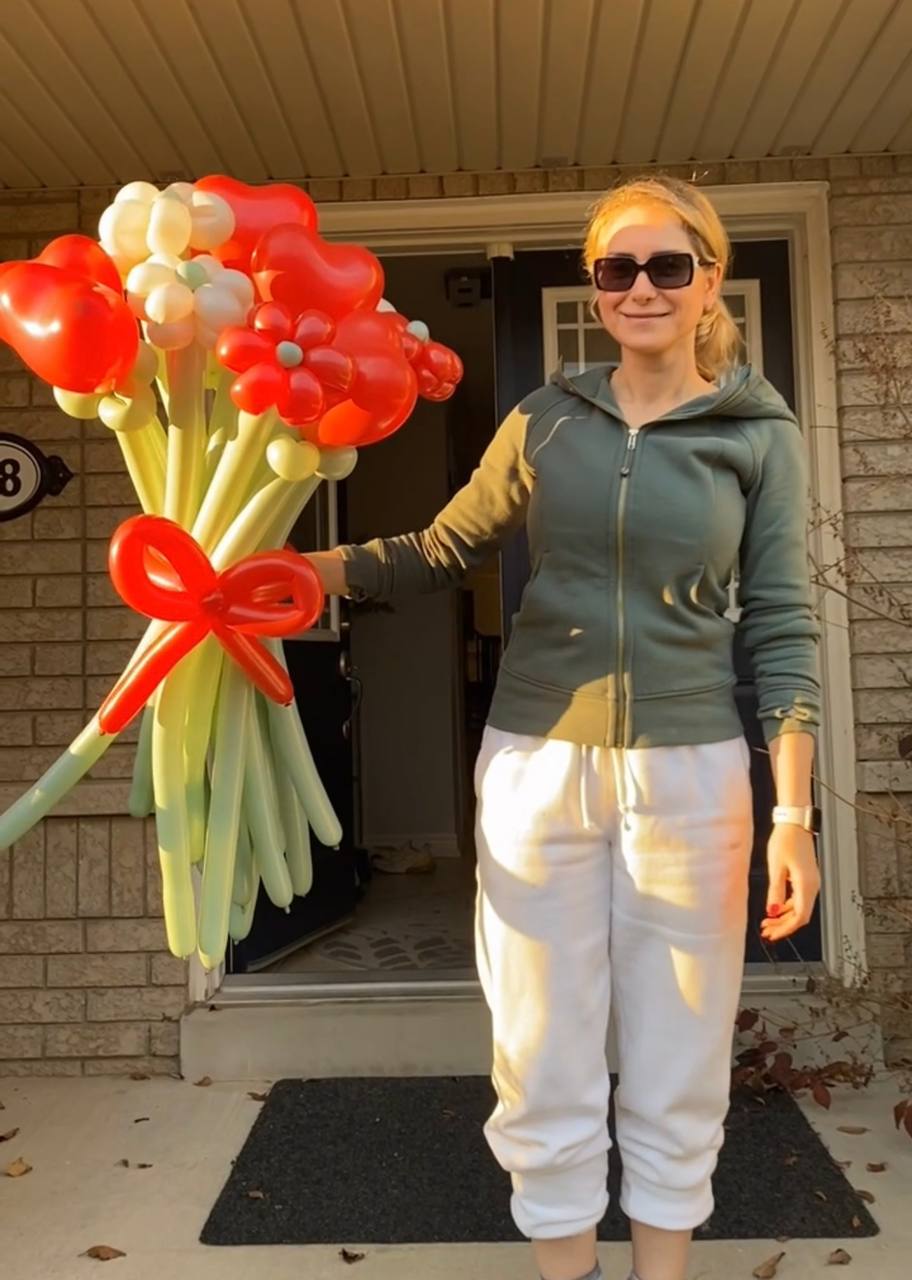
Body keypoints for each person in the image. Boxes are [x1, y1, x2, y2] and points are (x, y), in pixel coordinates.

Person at [306, 174, 822, 1280]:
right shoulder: (545, 416)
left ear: (707, 280)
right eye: (616, 268)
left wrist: (796, 813)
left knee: (681, 1052)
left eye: (666, 266)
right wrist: (308, 573)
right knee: (540, 1048)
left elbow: (780, 621)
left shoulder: (758, 429)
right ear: (595, 286)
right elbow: (441, 550)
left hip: (692, 774)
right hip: (539, 764)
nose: (641, 287)